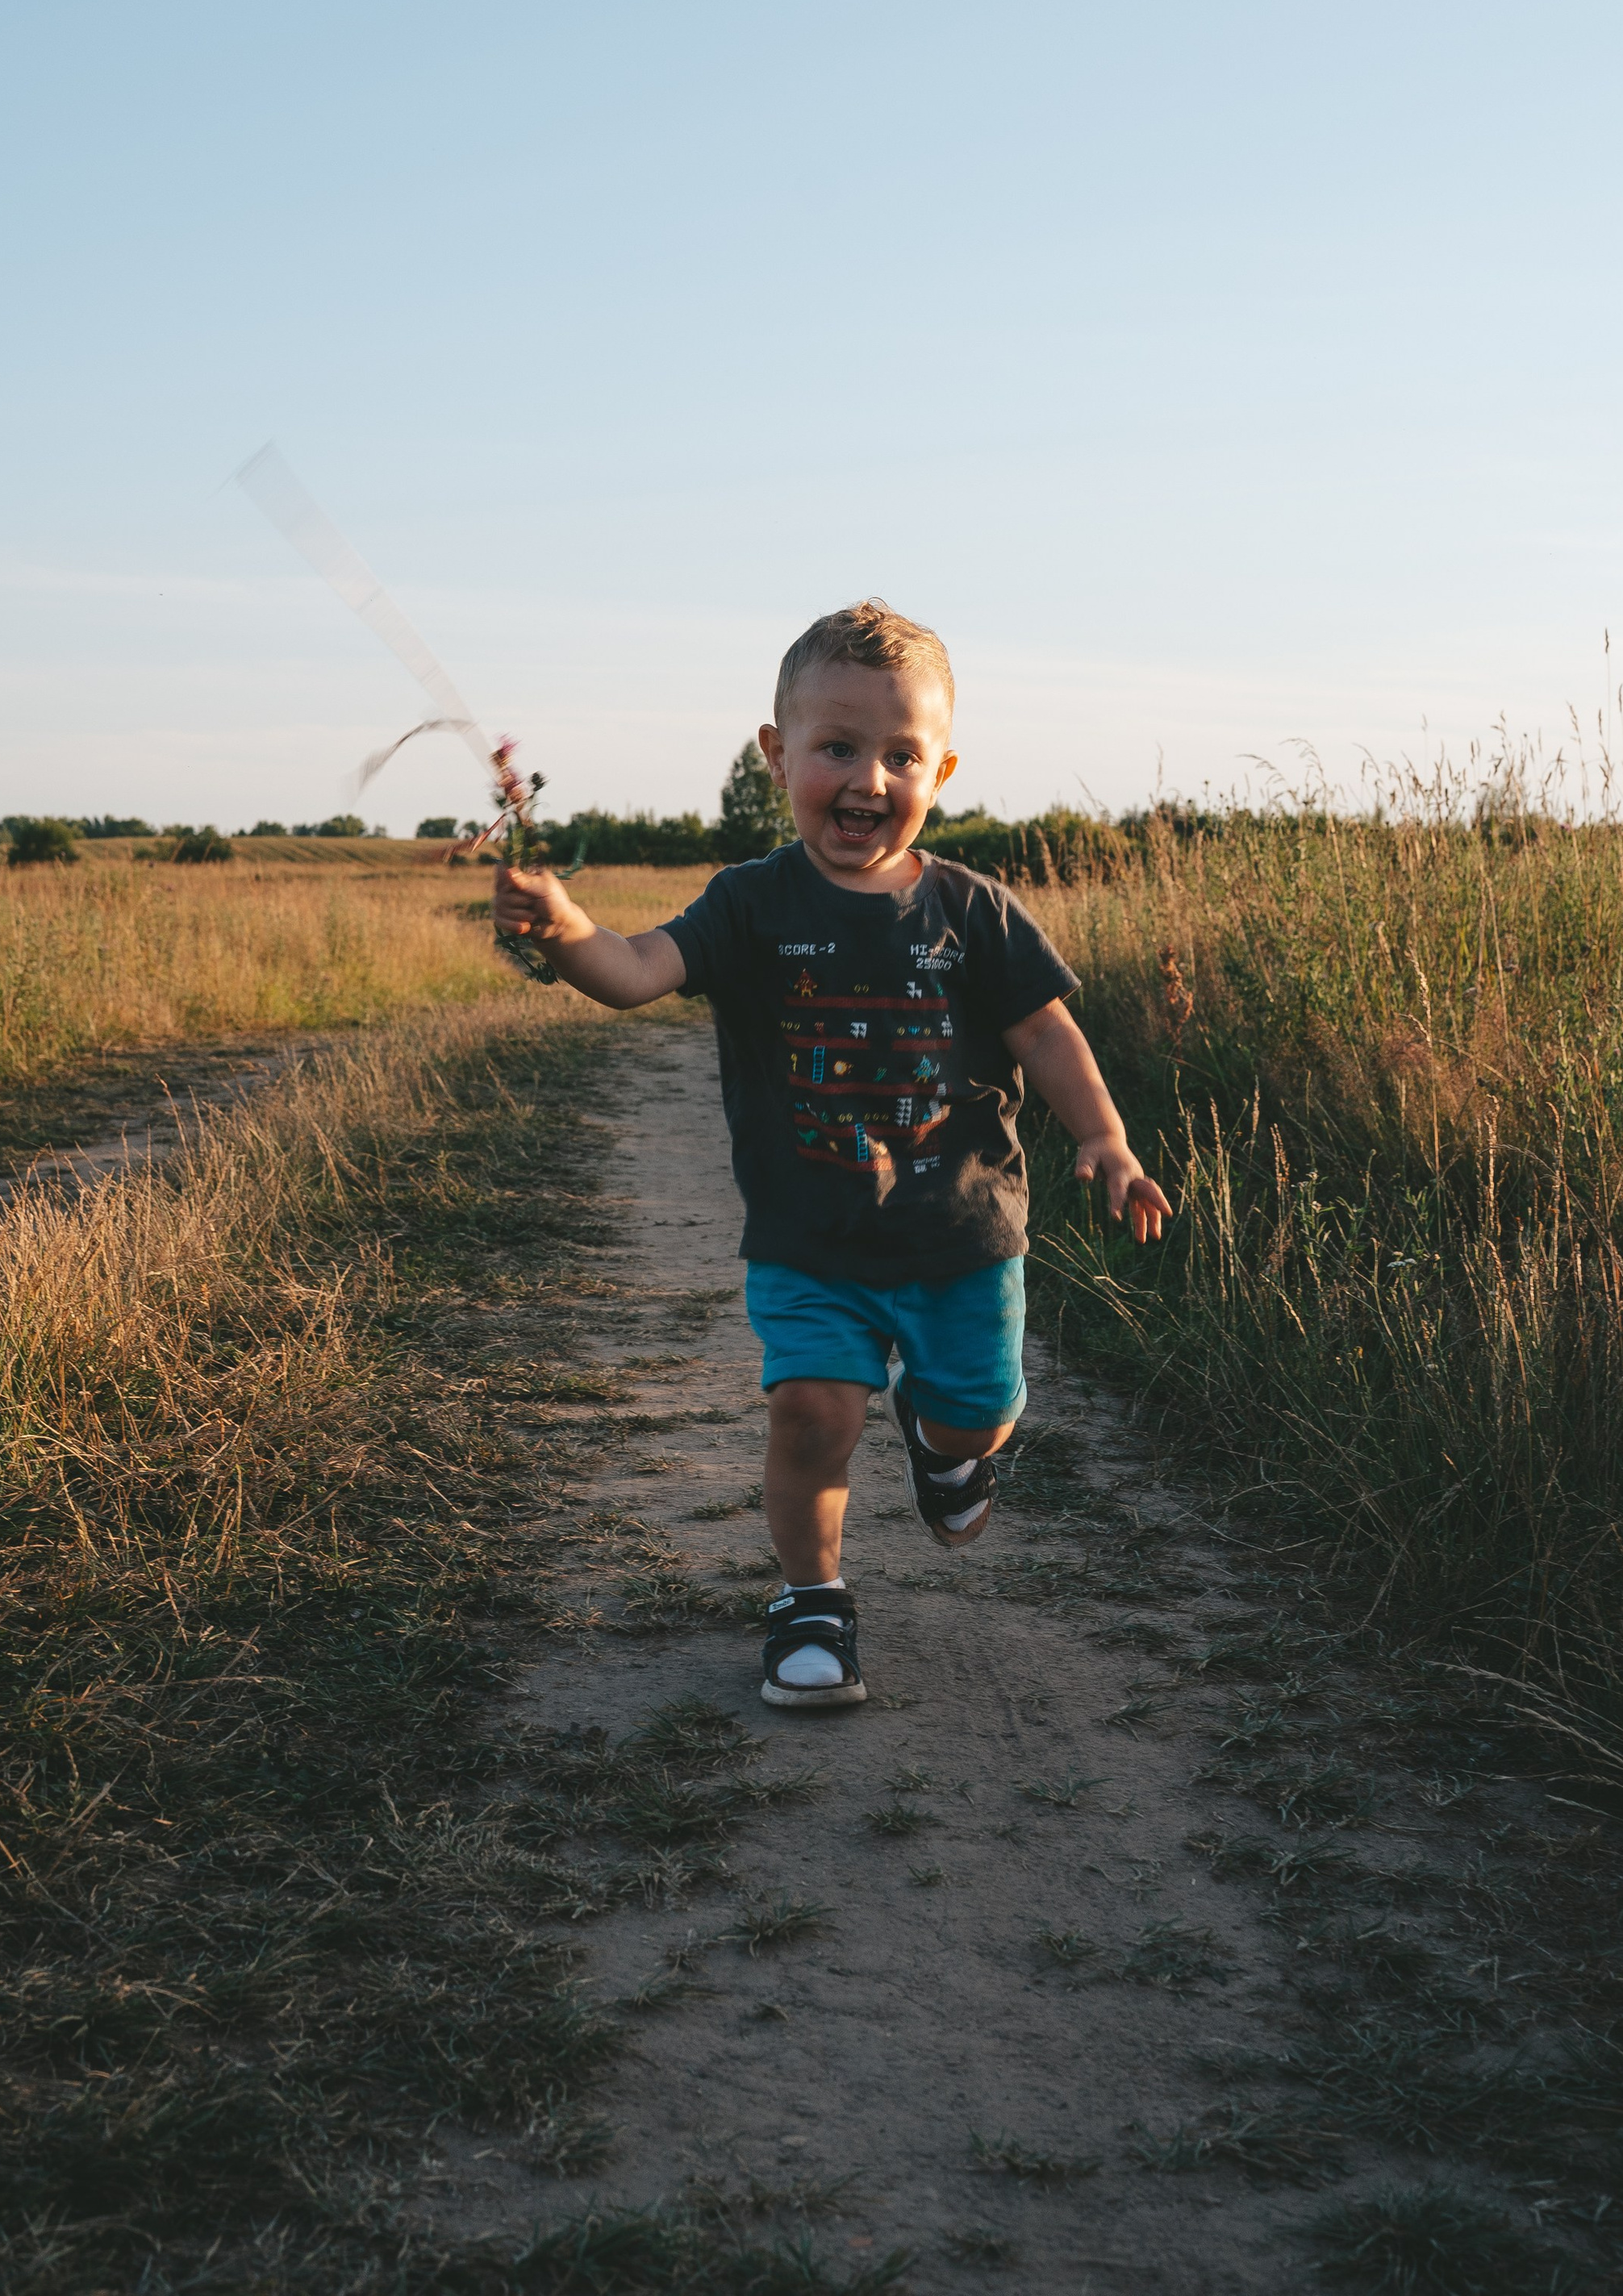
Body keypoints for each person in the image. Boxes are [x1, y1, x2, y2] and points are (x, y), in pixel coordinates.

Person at [492, 600, 1170, 1710]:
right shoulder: (752, 903)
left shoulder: (973, 911)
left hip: (961, 1238)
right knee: (812, 1409)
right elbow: (635, 969)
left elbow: (1045, 1030)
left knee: (977, 1409)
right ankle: (812, 1601)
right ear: (777, 756)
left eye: (901, 754)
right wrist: (565, 929)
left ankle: (950, 1452)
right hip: (810, 1239)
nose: (868, 779)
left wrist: (1104, 1137)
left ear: (942, 769)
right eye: (837, 747)